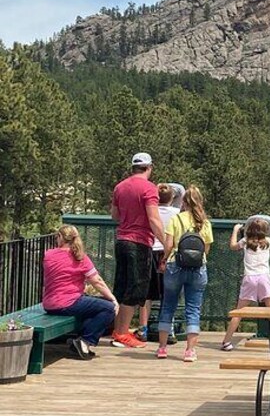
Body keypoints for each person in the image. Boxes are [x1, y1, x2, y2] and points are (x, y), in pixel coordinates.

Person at [110, 152, 166, 348]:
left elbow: (114, 216)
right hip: (139, 243)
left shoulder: (120, 187)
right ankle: (122, 334)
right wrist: (166, 242)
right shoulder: (149, 189)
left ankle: (118, 330)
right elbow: (153, 219)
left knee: (121, 286)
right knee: (135, 289)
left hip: (121, 241)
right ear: (149, 168)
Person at [43, 225, 120, 360]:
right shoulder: (80, 258)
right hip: (68, 303)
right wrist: (113, 299)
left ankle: (79, 341)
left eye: (57, 236)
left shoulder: (48, 255)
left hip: (49, 304)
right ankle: (85, 341)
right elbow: (97, 281)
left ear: (61, 238)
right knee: (109, 308)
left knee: (93, 306)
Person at [156, 185, 213, 362]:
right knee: (193, 309)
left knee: (168, 306)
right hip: (197, 268)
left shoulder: (176, 219)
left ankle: (162, 348)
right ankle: (189, 351)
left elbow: (169, 245)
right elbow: (206, 249)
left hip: (175, 265)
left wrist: (163, 260)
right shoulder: (205, 222)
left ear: (183, 202)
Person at [221, 219, 270, 351]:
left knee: (238, 312)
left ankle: (227, 341)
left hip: (249, 278)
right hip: (264, 277)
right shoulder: (268, 242)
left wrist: (235, 230)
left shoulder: (245, 242)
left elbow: (232, 246)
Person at [135, 184, 180, 343]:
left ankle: (143, 330)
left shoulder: (150, 211)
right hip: (168, 254)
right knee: (168, 293)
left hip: (149, 251)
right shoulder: (177, 213)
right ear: (172, 198)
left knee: (147, 295)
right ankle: (168, 330)